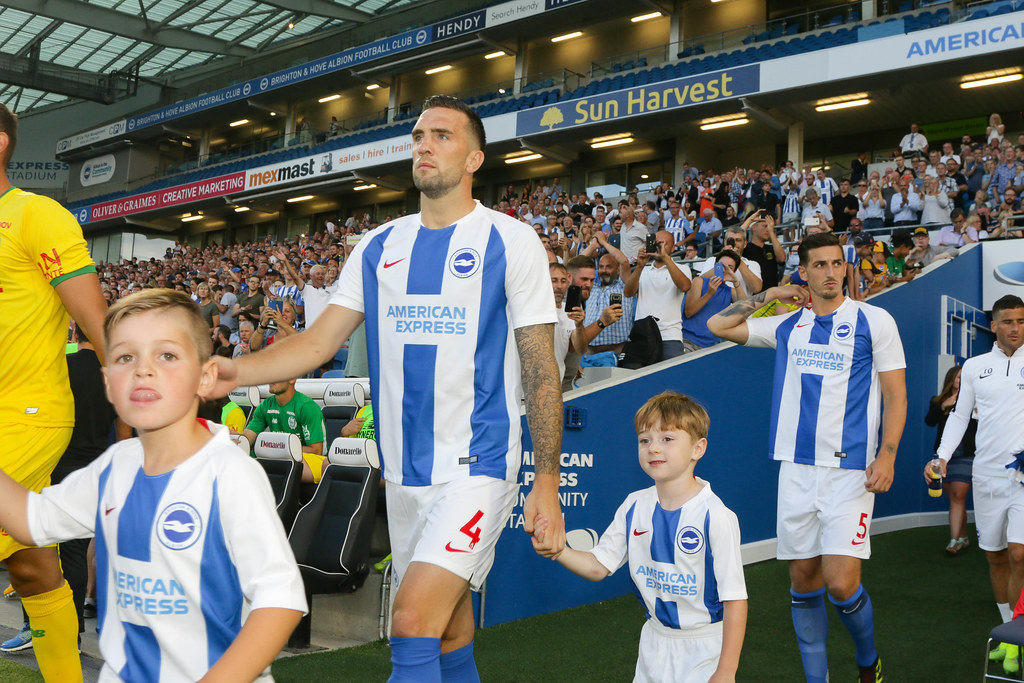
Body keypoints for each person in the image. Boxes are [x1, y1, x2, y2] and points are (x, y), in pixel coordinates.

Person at [206, 94, 565, 681]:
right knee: (447, 626)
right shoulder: (377, 246)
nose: (424, 144)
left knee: (411, 620)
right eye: (419, 135)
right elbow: (319, 344)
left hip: (479, 463)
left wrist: (545, 481)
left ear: (475, 158)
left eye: (442, 136)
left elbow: (540, 370)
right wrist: (235, 371)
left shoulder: (511, 240)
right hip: (401, 472)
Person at [0, 289, 306, 680]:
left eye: (167, 355)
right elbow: (32, 521)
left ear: (206, 376)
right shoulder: (114, 466)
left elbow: (280, 601)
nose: (143, 369)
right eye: (126, 357)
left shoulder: (229, 473)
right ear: (109, 383)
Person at [708, 232, 907, 683]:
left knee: (840, 583)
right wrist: (770, 294)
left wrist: (887, 454)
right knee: (803, 582)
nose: (831, 273)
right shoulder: (786, 323)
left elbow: (896, 395)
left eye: (838, 264)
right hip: (796, 469)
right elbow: (718, 326)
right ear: (804, 272)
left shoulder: (874, 321)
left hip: (851, 470)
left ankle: (867, 660)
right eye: (820, 265)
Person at [0, 103, 109, 682]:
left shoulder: (35, 215)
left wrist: (145, 395)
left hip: (27, 416)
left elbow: (95, 317)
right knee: (33, 567)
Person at [543, 391, 747, 682]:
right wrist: (558, 549)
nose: (653, 448)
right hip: (654, 641)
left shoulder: (716, 516)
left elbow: (735, 599)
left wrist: (726, 670)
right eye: (644, 440)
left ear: (698, 448)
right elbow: (599, 566)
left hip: (706, 647)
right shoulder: (634, 505)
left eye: (667, 439)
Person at [926, 295, 1024, 673]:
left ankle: (1016, 635)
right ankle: (1007, 631)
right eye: (1008, 322)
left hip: (1022, 477)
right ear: (994, 326)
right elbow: (959, 416)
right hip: (985, 474)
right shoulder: (974, 367)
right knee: (996, 555)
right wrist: (943, 458)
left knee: (1019, 553)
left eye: (1021, 321)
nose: (1016, 328)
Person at [924, 366, 975, 555]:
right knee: (953, 498)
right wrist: (945, 405)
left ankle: (954, 541)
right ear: (951, 379)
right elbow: (929, 421)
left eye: (964, 377)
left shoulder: (975, 399)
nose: (961, 380)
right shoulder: (937, 401)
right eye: (958, 377)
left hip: (967, 454)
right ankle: (962, 536)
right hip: (944, 456)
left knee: (959, 495)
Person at [242, 378, 326, 483]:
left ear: (292, 379)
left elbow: (316, 450)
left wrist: (281, 448)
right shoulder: (265, 405)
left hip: (311, 461)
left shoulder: (307, 407)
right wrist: (237, 441)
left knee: (281, 463)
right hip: (280, 458)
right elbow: (247, 437)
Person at [623, 231, 691, 361]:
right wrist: (639, 266)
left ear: (673, 248)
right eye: (656, 243)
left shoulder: (682, 268)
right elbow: (628, 293)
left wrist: (666, 258)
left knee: (672, 378)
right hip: (642, 336)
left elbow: (685, 286)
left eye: (663, 244)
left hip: (669, 337)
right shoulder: (643, 270)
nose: (659, 247)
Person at [682, 251, 744, 353]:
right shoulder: (699, 281)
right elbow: (689, 312)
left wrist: (736, 281)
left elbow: (744, 309)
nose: (725, 270)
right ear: (715, 266)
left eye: (730, 268)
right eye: (722, 266)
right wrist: (709, 293)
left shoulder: (729, 291)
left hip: (712, 346)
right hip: (689, 341)